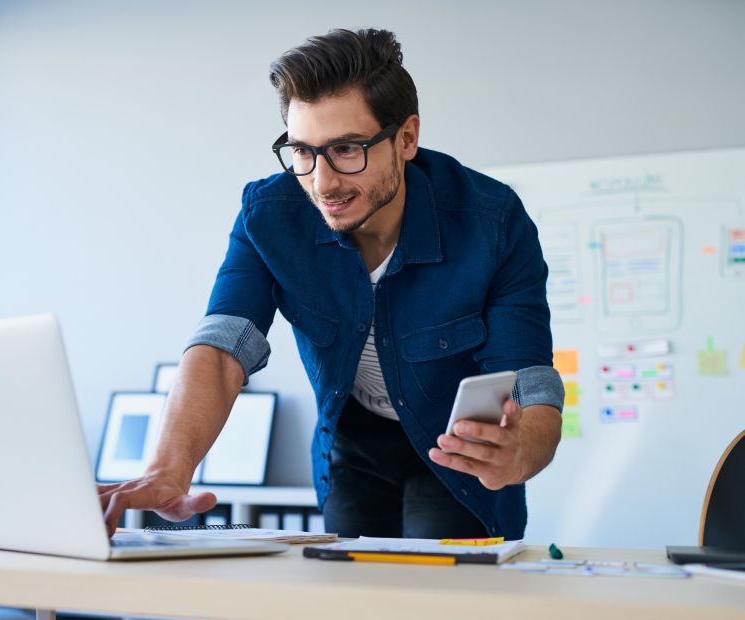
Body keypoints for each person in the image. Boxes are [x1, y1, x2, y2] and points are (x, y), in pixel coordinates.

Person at [99, 28, 564, 540]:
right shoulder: (269, 215)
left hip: (456, 450)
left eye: (346, 149)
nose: (322, 183)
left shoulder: (492, 221)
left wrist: (526, 450)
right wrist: (168, 467)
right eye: (302, 151)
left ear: (406, 139)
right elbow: (222, 345)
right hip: (354, 443)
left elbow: (530, 379)